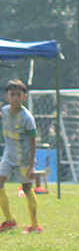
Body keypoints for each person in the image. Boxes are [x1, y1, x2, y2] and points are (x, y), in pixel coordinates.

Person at [0, 80, 41, 233]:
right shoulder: (4, 111)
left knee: (27, 189)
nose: (15, 98)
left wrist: (31, 166)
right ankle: (10, 221)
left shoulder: (27, 118)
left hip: (24, 159)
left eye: (19, 95)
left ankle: (36, 225)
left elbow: (33, 143)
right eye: (12, 95)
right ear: (7, 97)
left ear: (24, 97)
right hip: (9, 156)